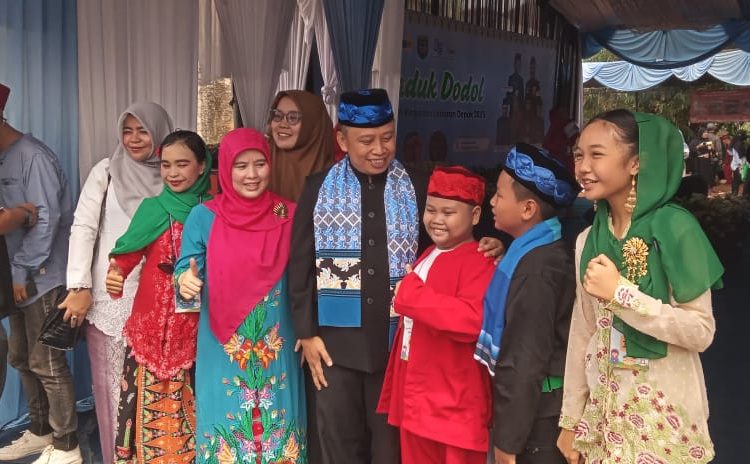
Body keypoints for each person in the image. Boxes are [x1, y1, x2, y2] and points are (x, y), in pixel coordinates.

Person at [289, 88, 503, 464]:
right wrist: (306, 333)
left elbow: (450, 240)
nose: (380, 149)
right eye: (367, 140)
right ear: (342, 140)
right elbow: (300, 263)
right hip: (334, 347)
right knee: (338, 444)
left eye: (387, 137)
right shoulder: (318, 187)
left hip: (397, 347)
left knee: (391, 450)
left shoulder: (418, 185)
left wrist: (493, 244)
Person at [557, 110, 723, 464]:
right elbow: (583, 330)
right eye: (579, 155)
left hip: (663, 425)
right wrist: (571, 418)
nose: (583, 167)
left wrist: (621, 295)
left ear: (635, 163)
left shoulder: (675, 229)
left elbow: (701, 330)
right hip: (603, 422)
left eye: (597, 154)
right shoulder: (588, 240)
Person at [176, 128, 306, 463]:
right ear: (225, 168)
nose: (252, 175)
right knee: (226, 423)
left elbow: (307, 279)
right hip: (222, 346)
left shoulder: (288, 214)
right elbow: (185, 270)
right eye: (240, 165)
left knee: (278, 424)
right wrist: (185, 281)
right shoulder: (204, 217)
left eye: (260, 164)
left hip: (277, 342)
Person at [60, 101, 173, 461]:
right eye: (128, 130)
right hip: (112, 301)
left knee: (157, 391)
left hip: (161, 301)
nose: (135, 139)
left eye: (143, 131)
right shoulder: (106, 172)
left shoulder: (173, 172)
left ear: (160, 133)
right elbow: (83, 227)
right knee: (111, 391)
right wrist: (79, 286)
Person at [104, 130, 211, 463]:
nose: (173, 173)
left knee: (193, 412)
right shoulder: (152, 209)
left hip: (195, 331)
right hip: (149, 328)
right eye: (166, 165)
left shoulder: (212, 211)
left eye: (182, 164)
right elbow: (128, 251)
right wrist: (116, 273)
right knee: (142, 409)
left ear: (202, 166)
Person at [377, 166, 496, 464]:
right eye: (430, 210)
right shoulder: (428, 252)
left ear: (475, 215)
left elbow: (473, 321)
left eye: (448, 212)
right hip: (416, 400)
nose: (436, 219)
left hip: (454, 405)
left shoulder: (480, 260)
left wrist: (411, 296)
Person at [475, 143, 579, 464]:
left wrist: (507, 441)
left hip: (538, 422)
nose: (492, 202)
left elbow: (525, 361)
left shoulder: (538, 270)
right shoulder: (533, 253)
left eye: (499, 195)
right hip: (536, 412)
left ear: (528, 209)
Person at [0, 82, 79, 463]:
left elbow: (47, 221)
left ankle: (67, 444)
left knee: (46, 362)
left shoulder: (33, 156)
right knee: (20, 357)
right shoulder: (5, 157)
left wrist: (21, 271)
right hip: (16, 278)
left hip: (40, 276)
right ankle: (40, 428)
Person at [268, 90, 334, 201]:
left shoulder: (338, 181)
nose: (282, 124)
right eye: (277, 115)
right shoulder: (257, 165)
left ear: (313, 126)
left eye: (293, 117)